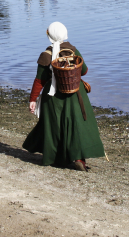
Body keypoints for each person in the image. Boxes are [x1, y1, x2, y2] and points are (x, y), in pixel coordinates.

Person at [22, 22, 105, 171]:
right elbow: (84, 71)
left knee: (54, 125)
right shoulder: (73, 50)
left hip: (53, 96)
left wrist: (33, 99)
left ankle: (56, 158)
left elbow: (39, 80)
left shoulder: (46, 55)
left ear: (51, 35)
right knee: (77, 124)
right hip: (76, 93)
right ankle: (79, 158)